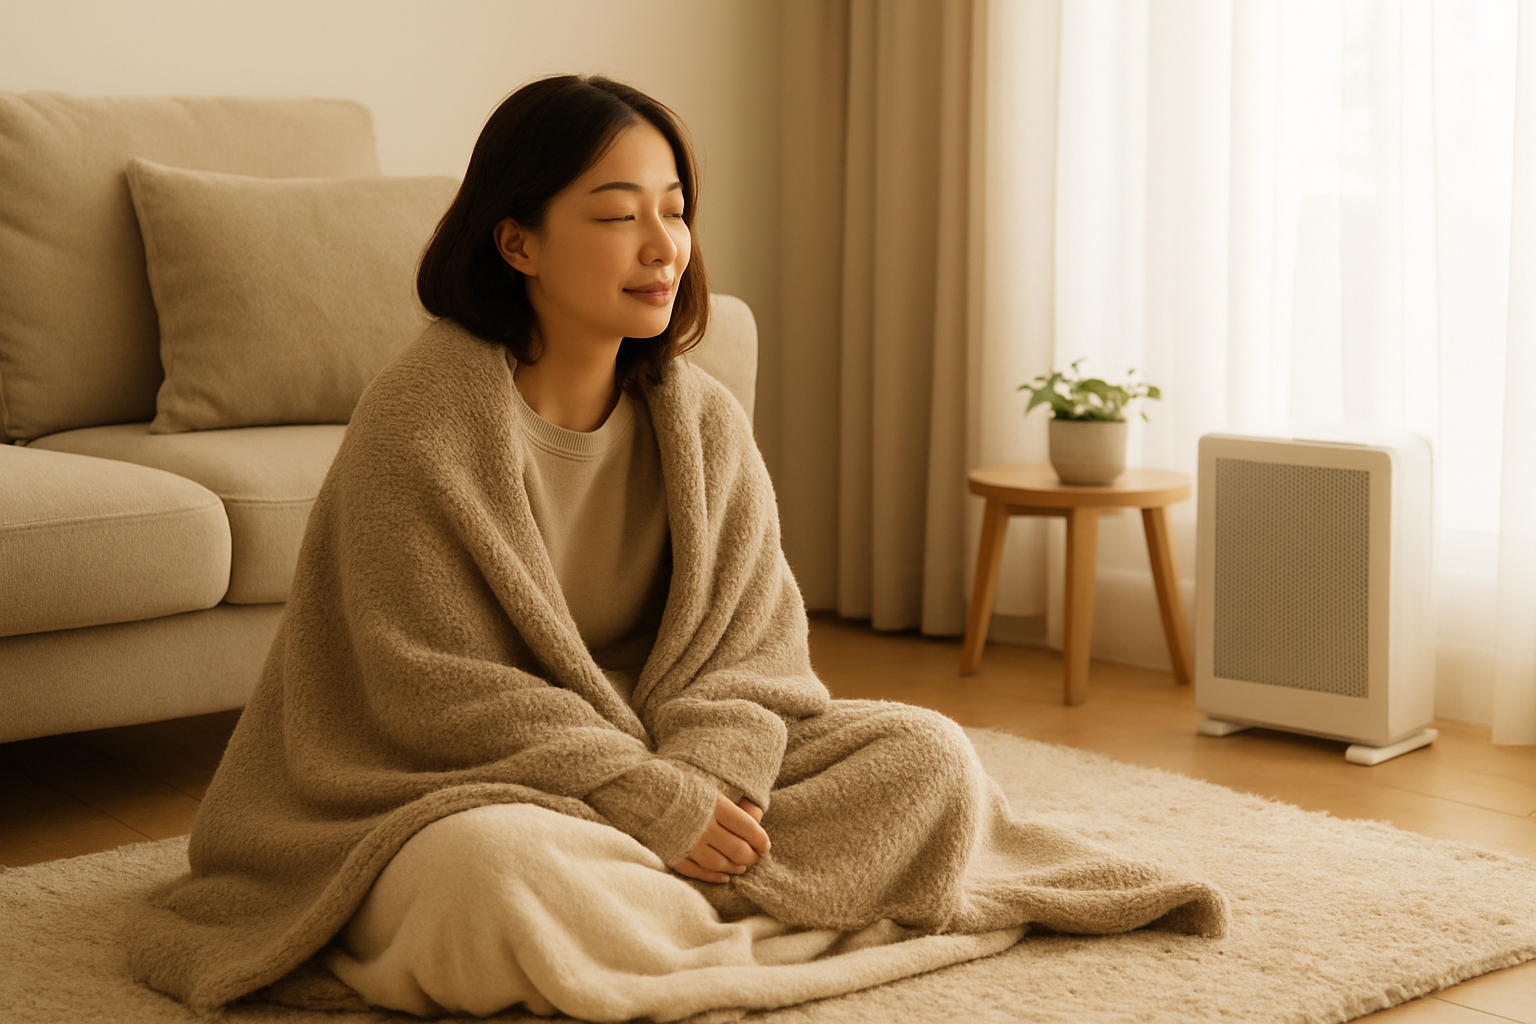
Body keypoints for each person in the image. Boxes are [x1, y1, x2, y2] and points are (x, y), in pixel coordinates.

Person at [126, 75, 1226, 1022]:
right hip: (456, 780)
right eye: (617, 216)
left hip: (662, 751)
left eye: (677, 212)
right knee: (496, 873)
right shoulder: (421, 414)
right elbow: (431, 686)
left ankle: (648, 914)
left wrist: (698, 779)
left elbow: (755, 650)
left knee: (929, 758)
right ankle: (697, 903)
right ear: (518, 239)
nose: (664, 249)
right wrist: (633, 793)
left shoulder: (699, 419)